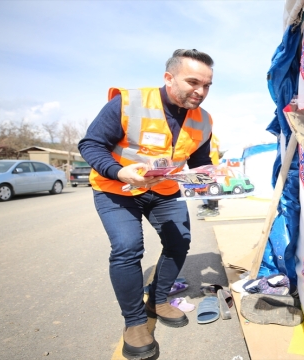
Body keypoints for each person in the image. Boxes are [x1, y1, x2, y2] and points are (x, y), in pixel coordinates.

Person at [78, 49, 215, 360]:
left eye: (207, 85)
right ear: (168, 77)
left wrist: (214, 183)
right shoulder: (129, 102)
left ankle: (159, 298)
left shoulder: (204, 120)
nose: (201, 91)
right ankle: (135, 322)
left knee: (179, 243)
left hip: (165, 190)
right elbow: (91, 144)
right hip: (117, 188)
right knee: (128, 247)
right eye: (193, 82)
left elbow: (199, 163)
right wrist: (118, 170)